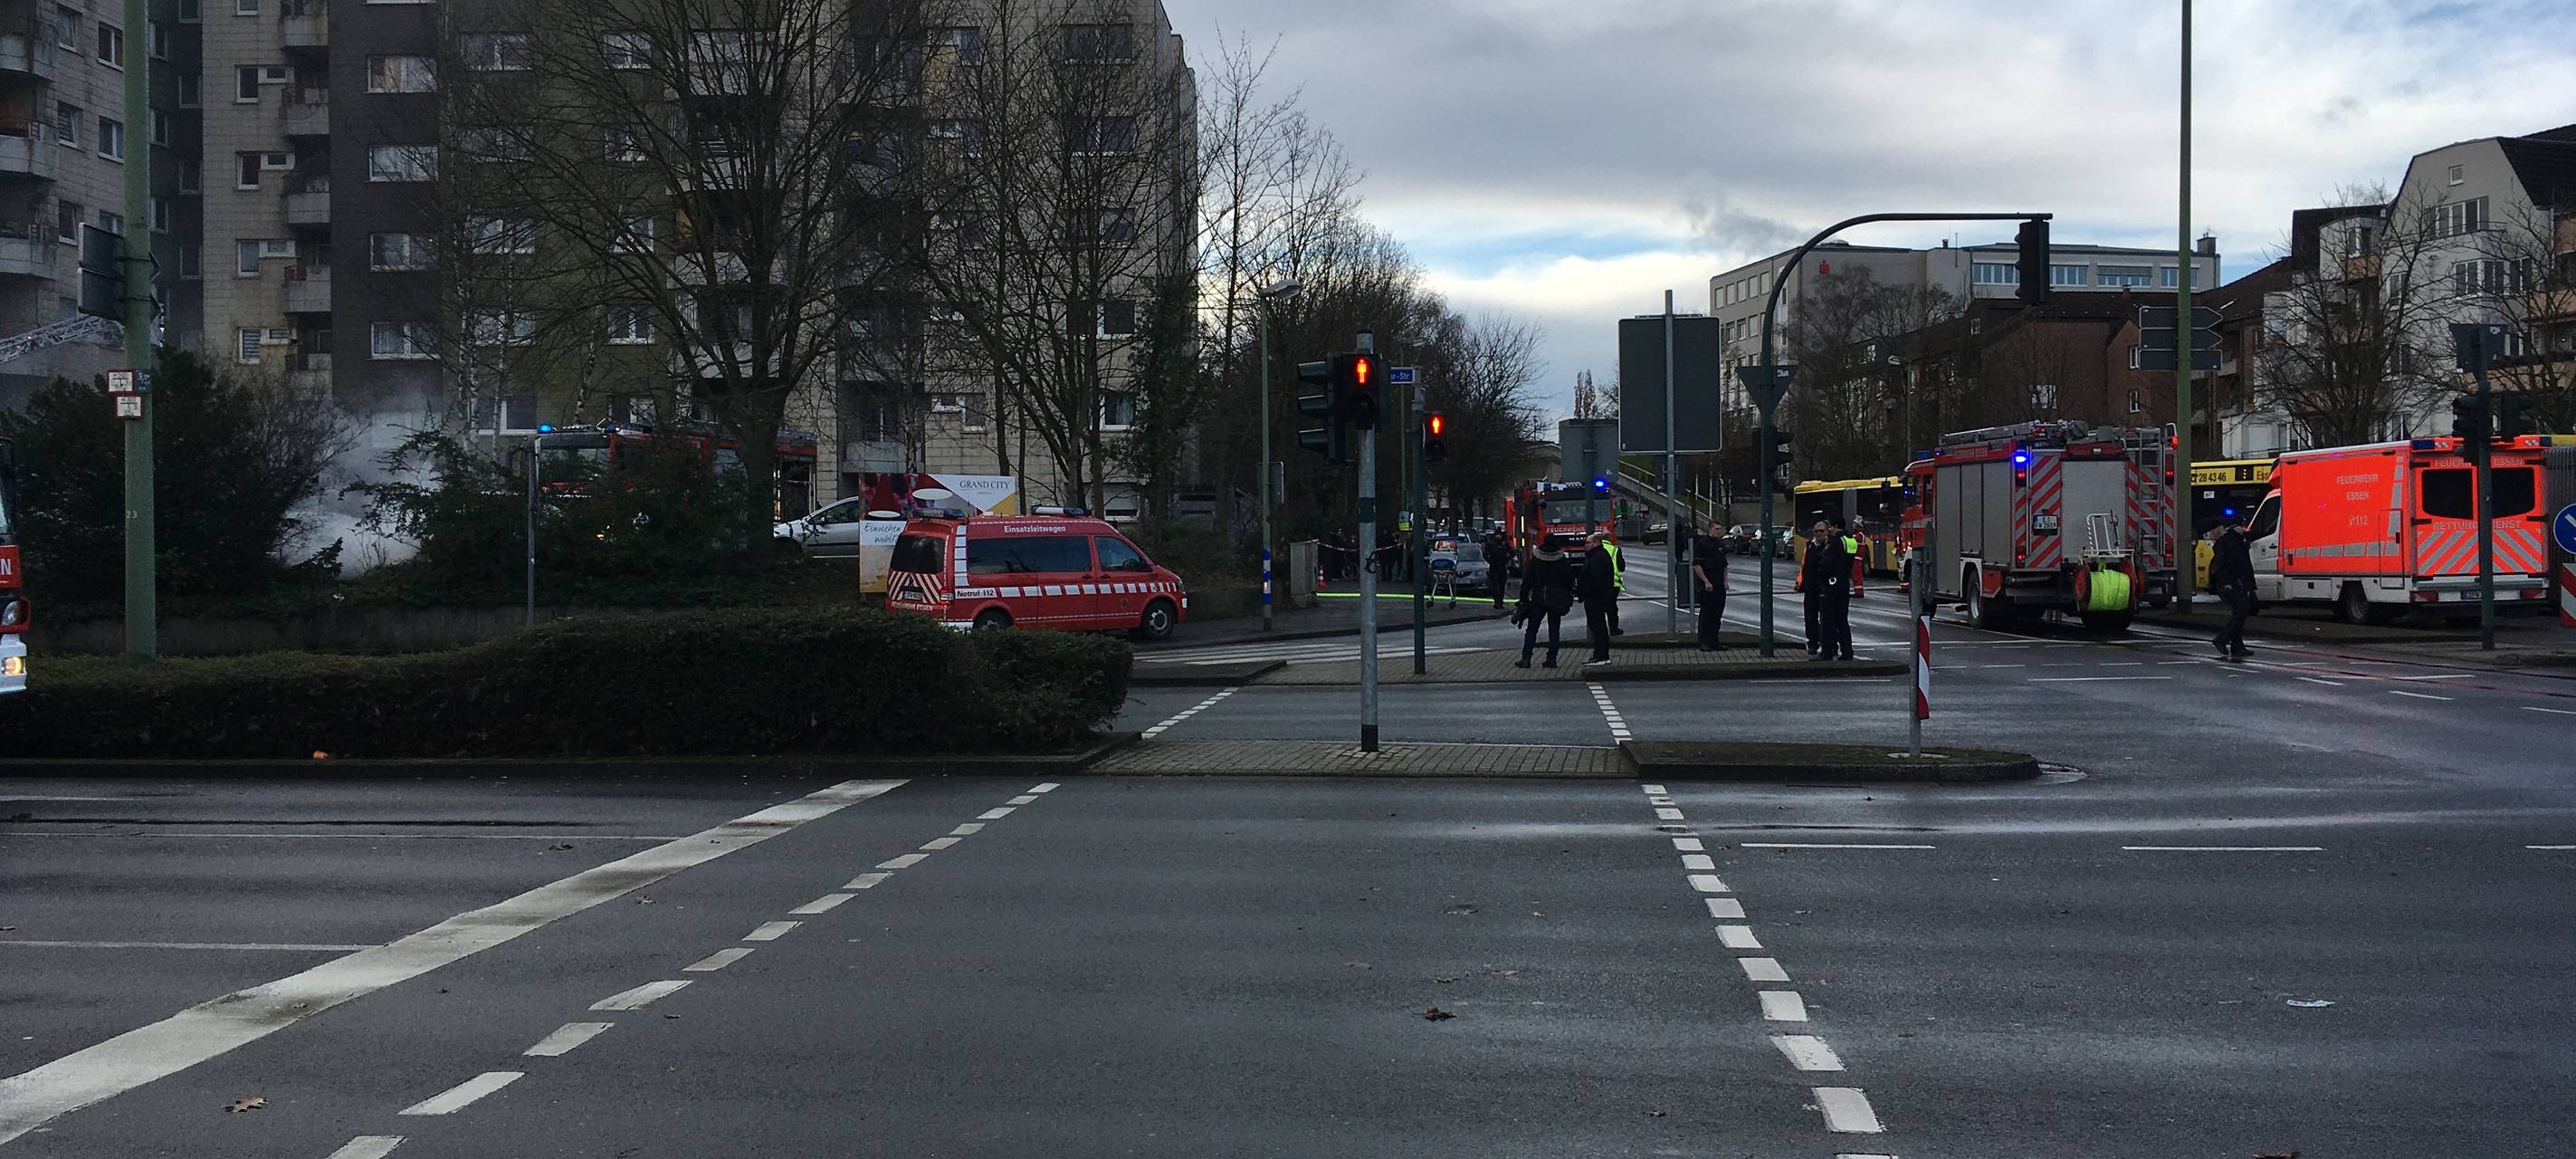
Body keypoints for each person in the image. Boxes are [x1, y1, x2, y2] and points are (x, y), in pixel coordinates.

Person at [1516, 535, 1575, 669]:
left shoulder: (1535, 560)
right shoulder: (1562, 561)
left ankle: (1526, 659)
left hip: (1538, 598)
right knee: (1554, 630)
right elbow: (1569, 581)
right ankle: (1551, 659)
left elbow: (1527, 581)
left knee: (1532, 629)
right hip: (1556, 600)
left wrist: (1523, 599)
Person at [2208, 517, 2256, 661]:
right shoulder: (2228, 541)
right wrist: (2226, 582)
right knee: (2241, 611)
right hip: (2232, 582)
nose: (2245, 529)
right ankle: (2222, 639)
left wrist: (2249, 583)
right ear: (2235, 527)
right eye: (2242, 526)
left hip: (2239, 581)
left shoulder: (2238, 540)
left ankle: (2237, 645)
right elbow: (2222, 564)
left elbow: (2244, 563)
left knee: (2240, 612)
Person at [1809, 520, 1856, 661]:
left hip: (1831, 585)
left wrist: (1822, 577)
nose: (1829, 530)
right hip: (1844, 583)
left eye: (1830, 527)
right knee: (1842, 621)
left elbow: (1826, 563)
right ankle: (1847, 652)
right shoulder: (1851, 541)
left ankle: (1827, 652)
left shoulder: (1834, 542)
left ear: (1835, 527)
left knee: (1828, 620)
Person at [1577, 532, 1620, 666]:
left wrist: (1584, 590)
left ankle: (1601, 656)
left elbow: (1595, 580)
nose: (1585, 545)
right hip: (1597, 597)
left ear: (1595, 543)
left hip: (1596, 598)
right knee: (1597, 627)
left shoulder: (1597, 558)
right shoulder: (1597, 556)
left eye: (1588, 543)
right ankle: (1599, 655)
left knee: (1598, 627)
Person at [1691, 518, 1730, 651]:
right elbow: (1697, 565)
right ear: (1710, 529)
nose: (1718, 531)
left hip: (1719, 584)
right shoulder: (1702, 544)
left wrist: (1725, 581)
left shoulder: (1720, 545)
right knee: (1706, 614)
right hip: (1707, 584)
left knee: (1717, 614)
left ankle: (1714, 641)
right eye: (1716, 529)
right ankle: (1704, 642)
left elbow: (1724, 565)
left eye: (1720, 529)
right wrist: (1706, 581)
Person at [1798, 525, 1826, 656]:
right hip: (1810, 588)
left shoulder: (1829, 546)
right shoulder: (1810, 546)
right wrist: (1800, 582)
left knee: (1827, 618)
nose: (1819, 533)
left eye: (1821, 531)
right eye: (1816, 531)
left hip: (1824, 588)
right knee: (1810, 618)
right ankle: (1813, 643)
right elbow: (1804, 566)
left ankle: (1828, 644)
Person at [1598, 532, 1627, 636]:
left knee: (1599, 608)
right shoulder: (1615, 550)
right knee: (1612, 608)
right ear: (1610, 539)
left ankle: (1600, 631)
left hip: (1599, 584)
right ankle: (1613, 629)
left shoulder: (1597, 549)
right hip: (1613, 584)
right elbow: (1621, 567)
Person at [1483, 527, 1513, 609]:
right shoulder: (1491, 545)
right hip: (1494, 567)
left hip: (1502, 567)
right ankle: (1497, 602)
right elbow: (1485, 554)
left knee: (1501, 586)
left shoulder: (1504, 545)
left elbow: (1512, 552)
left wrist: (1507, 558)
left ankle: (1500, 602)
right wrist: (1490, 561)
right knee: (1494, 585)